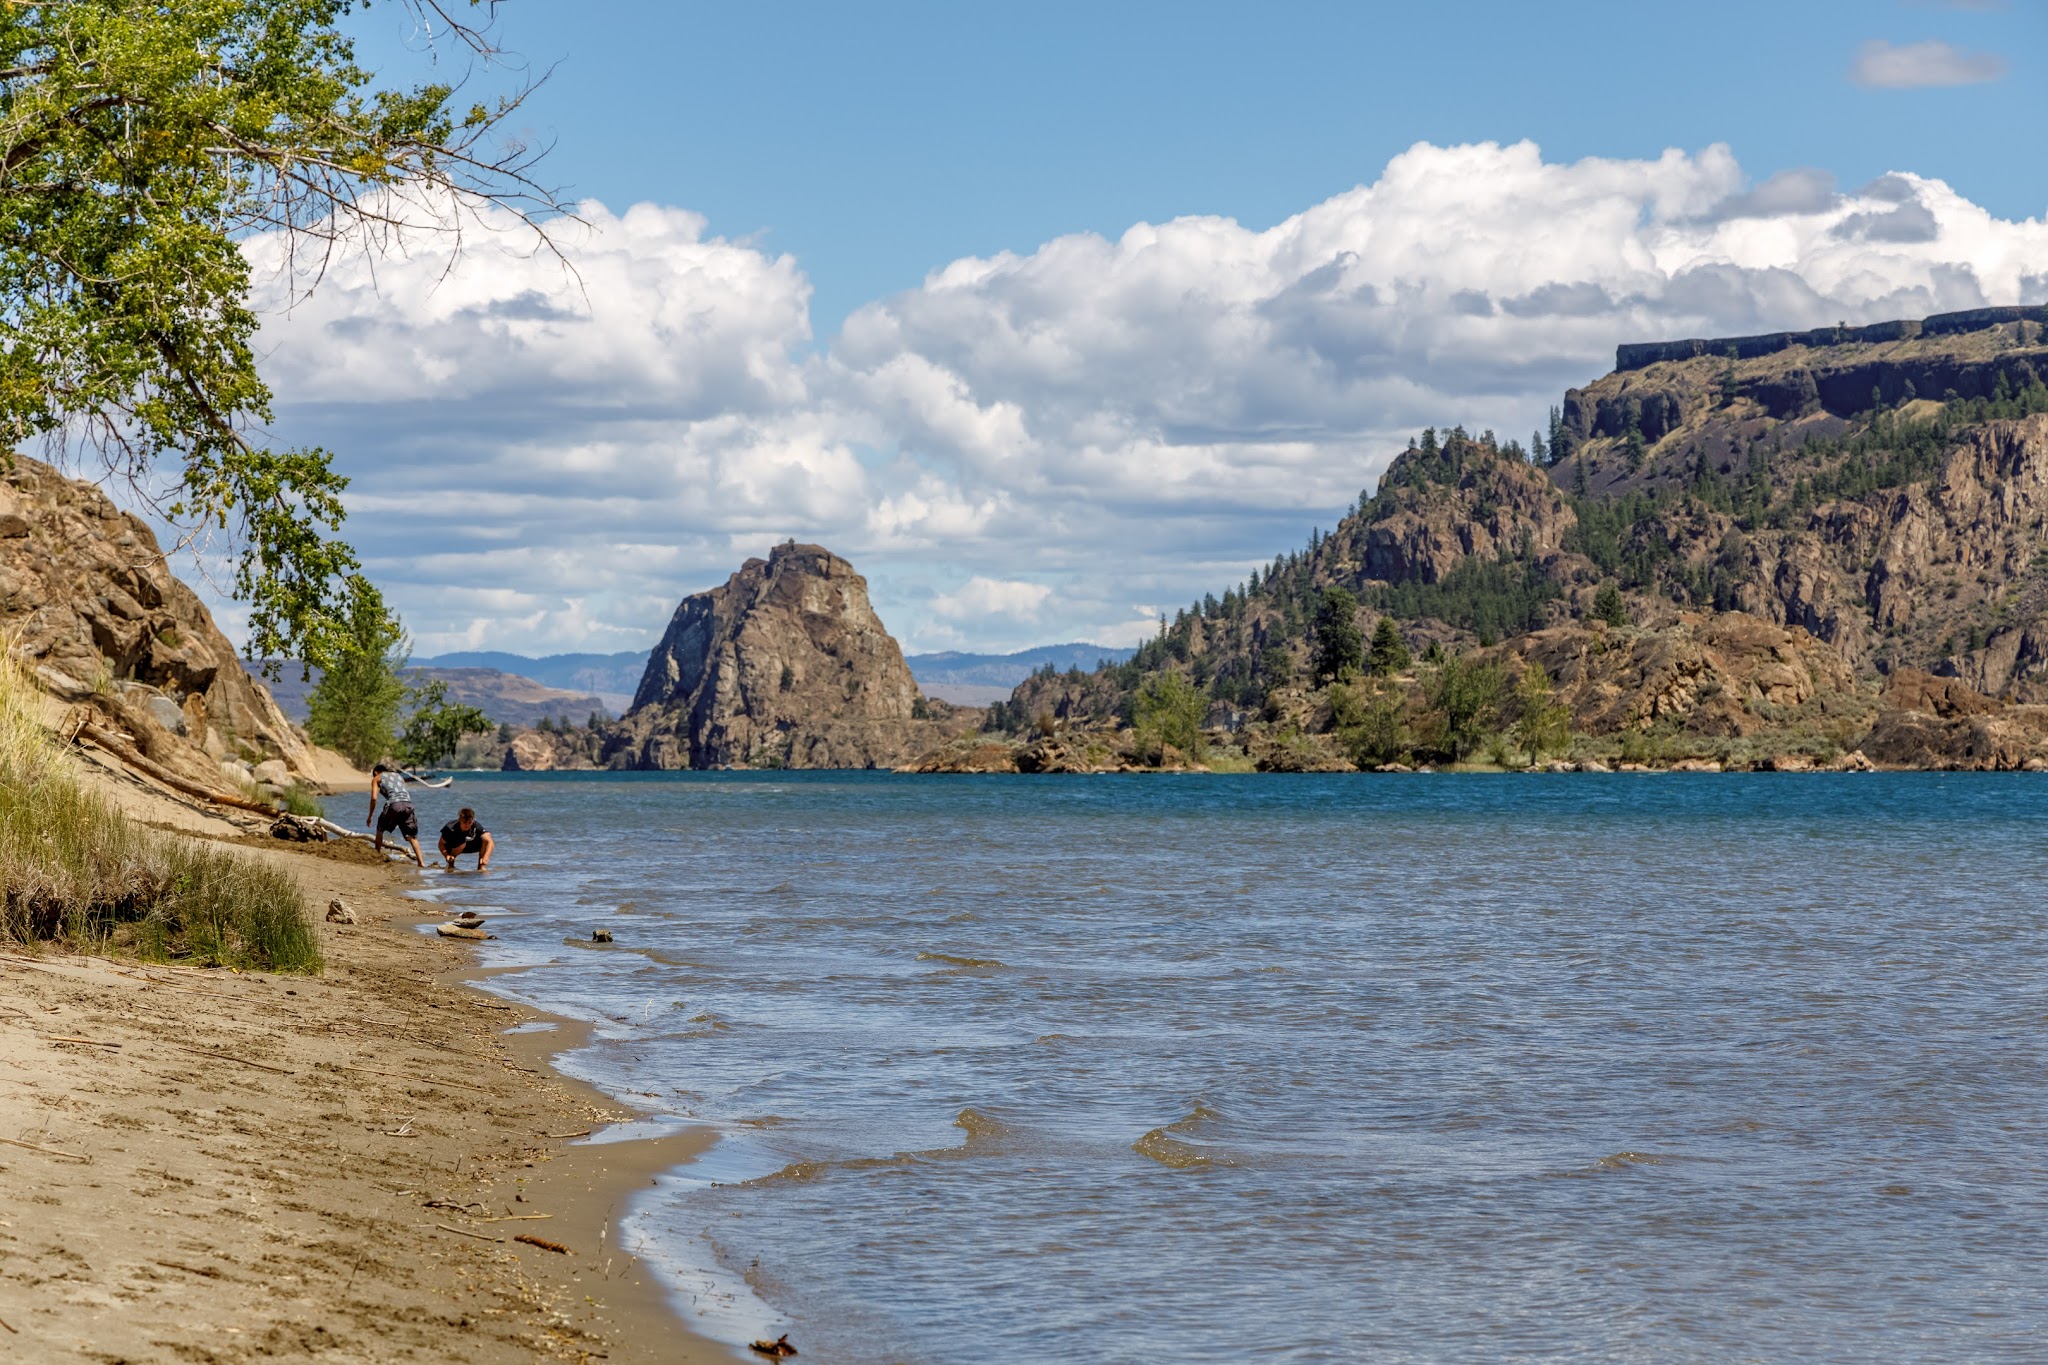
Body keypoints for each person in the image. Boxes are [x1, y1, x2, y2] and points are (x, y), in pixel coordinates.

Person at [366, 761, 425, 867]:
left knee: (380, 829)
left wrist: (370, 816)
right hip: (408, 805)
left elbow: (374, 798)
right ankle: (421, 862)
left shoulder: (377, 778)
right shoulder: (398, 776)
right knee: (412, 836)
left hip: (394, 804)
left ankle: (376, 856)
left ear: (376, 772)